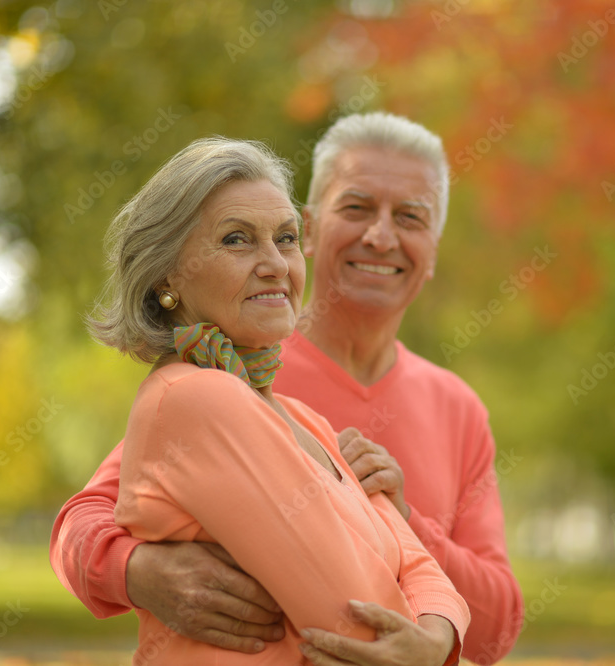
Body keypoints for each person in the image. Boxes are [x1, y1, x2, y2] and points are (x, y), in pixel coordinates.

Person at [51, 113, 523, 665]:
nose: (381, 235)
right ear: (316, 226)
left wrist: (406, 522)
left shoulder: (454, 409)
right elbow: (83, 522)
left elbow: (496, 631)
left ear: (434, 249)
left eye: (411, 217)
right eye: (357, 207)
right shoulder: (220, 374)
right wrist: (139, 572)